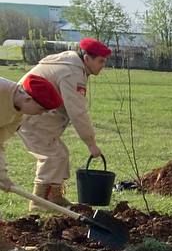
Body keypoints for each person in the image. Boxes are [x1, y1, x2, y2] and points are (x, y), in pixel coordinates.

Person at [17, 37, 108, 207]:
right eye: (101, 61)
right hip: (31, 115)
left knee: (60, 154)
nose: (103, 65)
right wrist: (91, 144)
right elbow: (77, 112)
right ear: (87, 58)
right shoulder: (72, 73)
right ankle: (39, 202)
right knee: (52, 156)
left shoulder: (68, 64)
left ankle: (54, 197)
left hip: (35, 115)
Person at [1, 75, 64, 248]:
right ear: (28, 98)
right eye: (41, 109)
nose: (41, 114)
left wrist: (2, 175)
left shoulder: (18, 116)